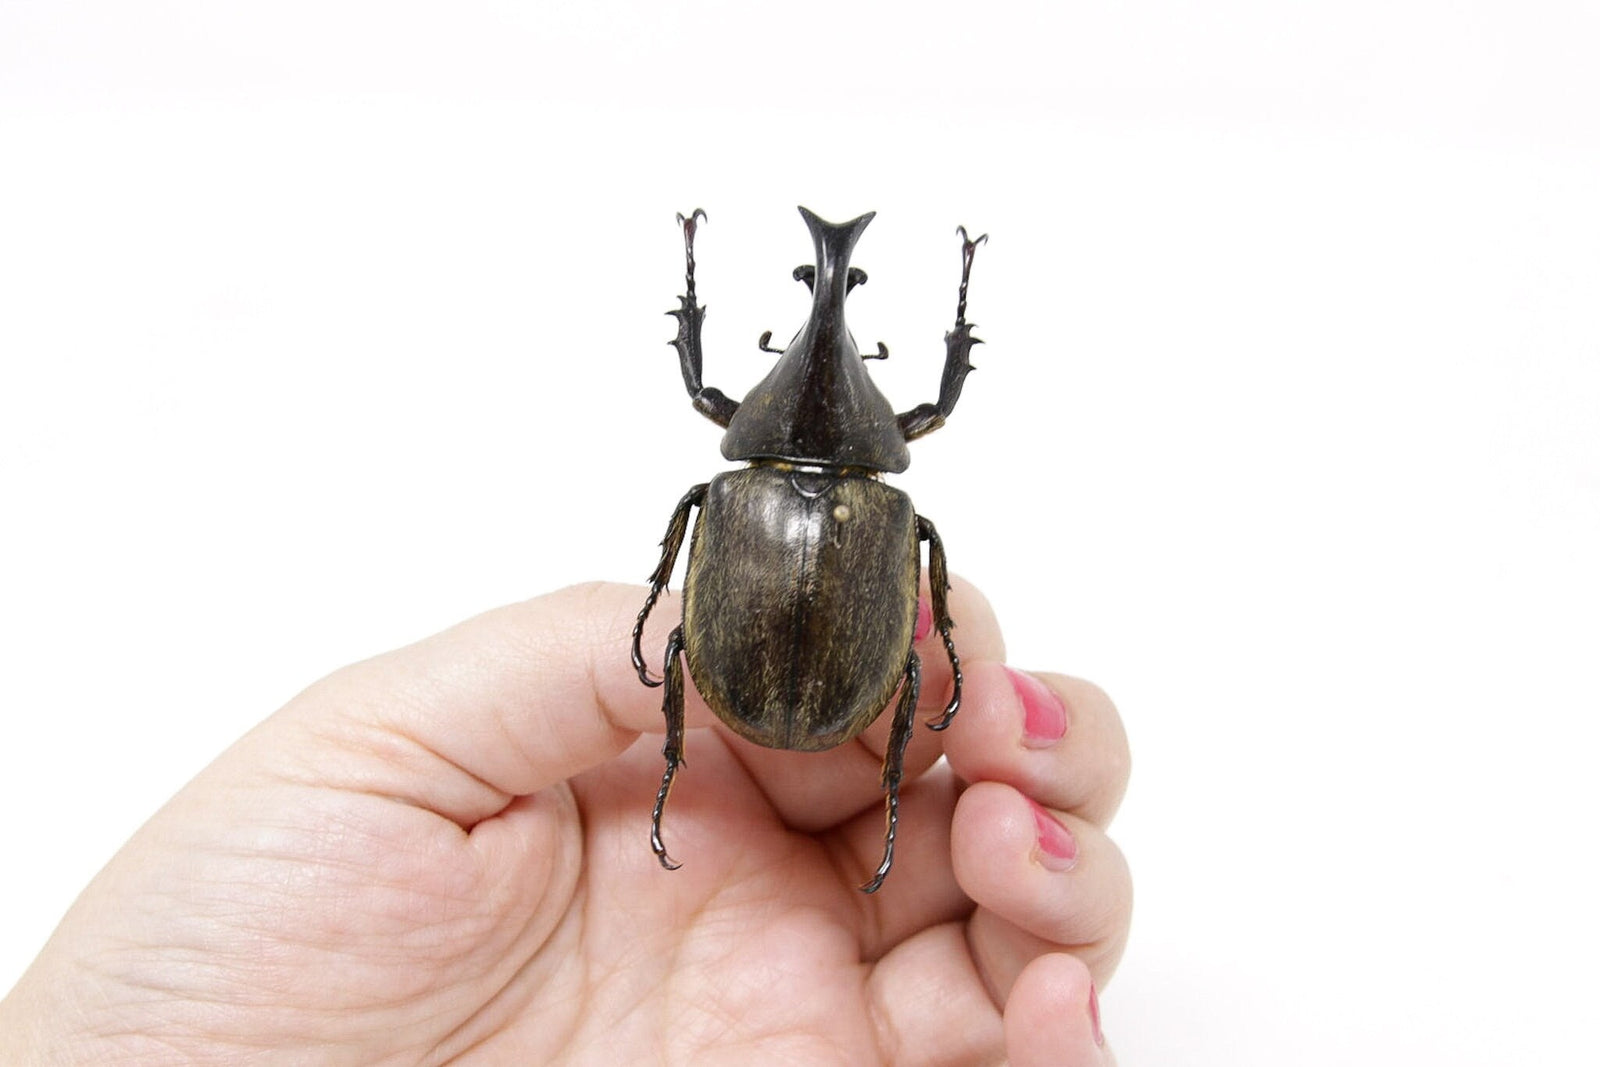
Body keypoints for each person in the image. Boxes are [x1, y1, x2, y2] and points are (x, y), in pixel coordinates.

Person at [0, 579, 1131, 1065]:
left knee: (935, 674)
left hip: (769, 695)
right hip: (828, 687)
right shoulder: (885, 516)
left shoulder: (724, 503)